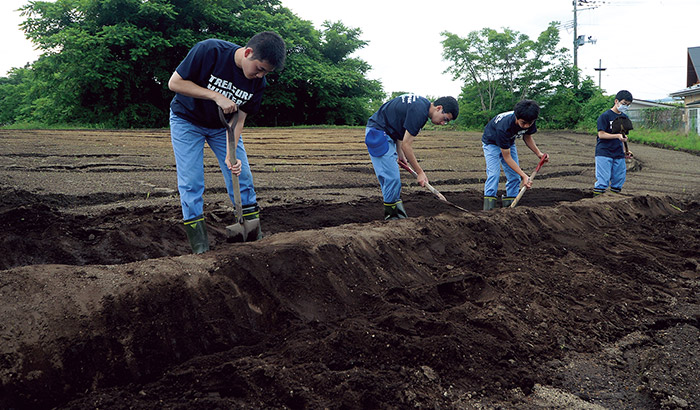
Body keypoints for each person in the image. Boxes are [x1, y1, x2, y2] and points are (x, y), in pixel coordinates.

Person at [168, 32, 286, 253]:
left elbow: (241, 116)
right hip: (187, 120)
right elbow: (174, 83)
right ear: (248, 53)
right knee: (191, 181)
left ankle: (251, 236)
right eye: (259, 68)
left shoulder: (258, 83)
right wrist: (215, 96)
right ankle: (199, 245)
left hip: (223, 128)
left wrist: (231, 150)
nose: (260, 75)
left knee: (241, 174)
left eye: (266, 72)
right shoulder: (210, 51)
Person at [365, 94, 459, 219]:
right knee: (391, 179)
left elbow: (398, 127)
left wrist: (400, 153)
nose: (443, 123)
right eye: (445, 119)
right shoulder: (419, 112)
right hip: (378, 133)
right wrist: (420, 172)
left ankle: (396, 217)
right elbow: (407, 145)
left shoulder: (421, 105)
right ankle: (393, 219)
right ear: (439, 108)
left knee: (391, 179)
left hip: (386, 133)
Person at [481, 99, 548, 210]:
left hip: (509, 141)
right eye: (523, 123)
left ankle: (510, 208)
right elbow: (507, 157)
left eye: (529, 123)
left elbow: (527, 136)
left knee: (514, 176)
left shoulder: (529, 118)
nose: (526, 126)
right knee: (494, 174)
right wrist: (524, 176)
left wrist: (538, 153)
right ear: (516, 117)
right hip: (491, 142)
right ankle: (488, 209)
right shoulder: (504, 127)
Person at [593, 90, 633, 196]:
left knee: (619, 179)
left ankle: (613, 202)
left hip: (618, 152)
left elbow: (623, 137)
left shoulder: (625, 118)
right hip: (604, 152)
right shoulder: (605, 116)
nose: (625, 107)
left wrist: (626, 151)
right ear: (616, 101)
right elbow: (601, 134)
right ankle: (596, 202)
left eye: (628, 105)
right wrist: (617, 136)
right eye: (624, 104)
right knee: (603, 180)